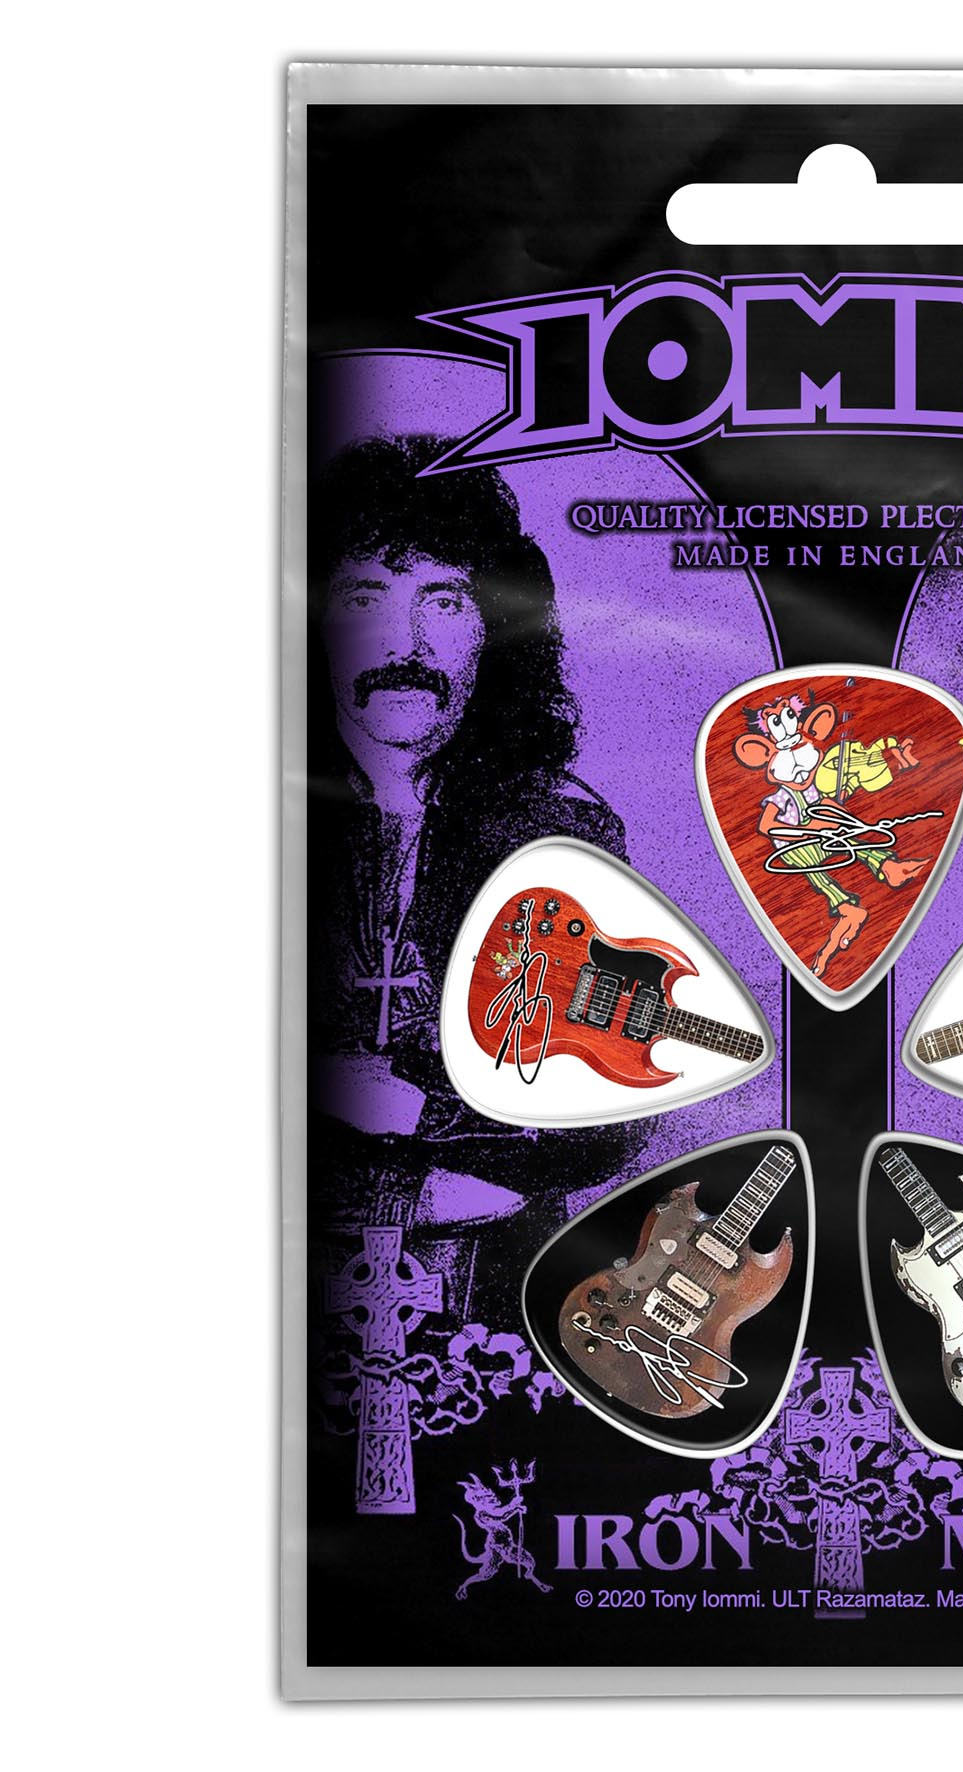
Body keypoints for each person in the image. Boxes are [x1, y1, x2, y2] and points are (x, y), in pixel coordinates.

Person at [308, 433, 634, 1323]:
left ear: (494, 634)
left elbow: (612, 1107)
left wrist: (414, 1112)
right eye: (363, 598)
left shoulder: (560, 836)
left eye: (445, 601)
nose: (405, 643)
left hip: (491, 1292)